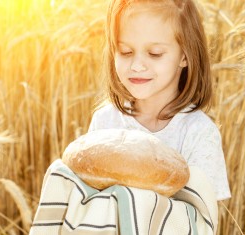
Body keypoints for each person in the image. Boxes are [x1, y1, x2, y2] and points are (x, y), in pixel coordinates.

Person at [88, 0, 231, 201]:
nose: (137, 66)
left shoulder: (199, 132)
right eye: (125, 51)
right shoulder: (104, 122)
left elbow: (203, 220)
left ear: (185, 55)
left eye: (155, 54)